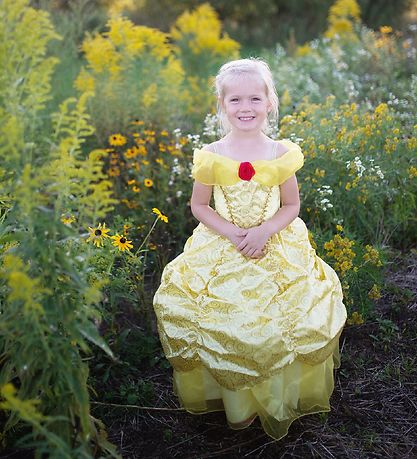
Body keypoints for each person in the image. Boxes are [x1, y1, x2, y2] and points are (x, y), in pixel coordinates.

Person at [152, 57, 347, 441]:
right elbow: (199, 206)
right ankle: (237, 406)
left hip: (274, 242)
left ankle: (279, 397)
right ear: (222, 106)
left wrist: (263, 232)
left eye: (255, 99)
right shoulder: (211, 154)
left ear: (270, 102)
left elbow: (291, 205)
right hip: (223, 243)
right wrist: (233, 234)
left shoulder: (280, 153)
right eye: (236, 100)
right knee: (222, 320)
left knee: (280, 322)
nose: (246, 108)